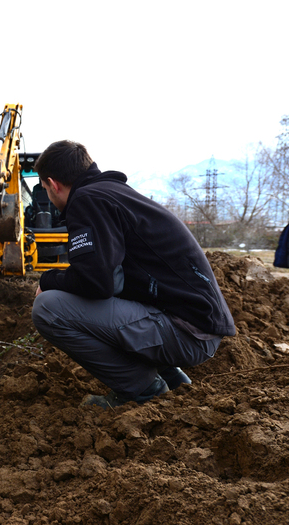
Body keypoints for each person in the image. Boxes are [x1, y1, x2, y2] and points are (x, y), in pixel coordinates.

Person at [30, 140, 236, 409]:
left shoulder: (87, 201)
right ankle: (170, 377)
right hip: (197, 326)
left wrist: (47, 281)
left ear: (53, 184)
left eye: (46, 189)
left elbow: (97, 283)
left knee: (48, 308)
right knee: (99, 305)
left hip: (189, 334)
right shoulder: (111, 193)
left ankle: (143, 388)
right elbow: (109, 278)